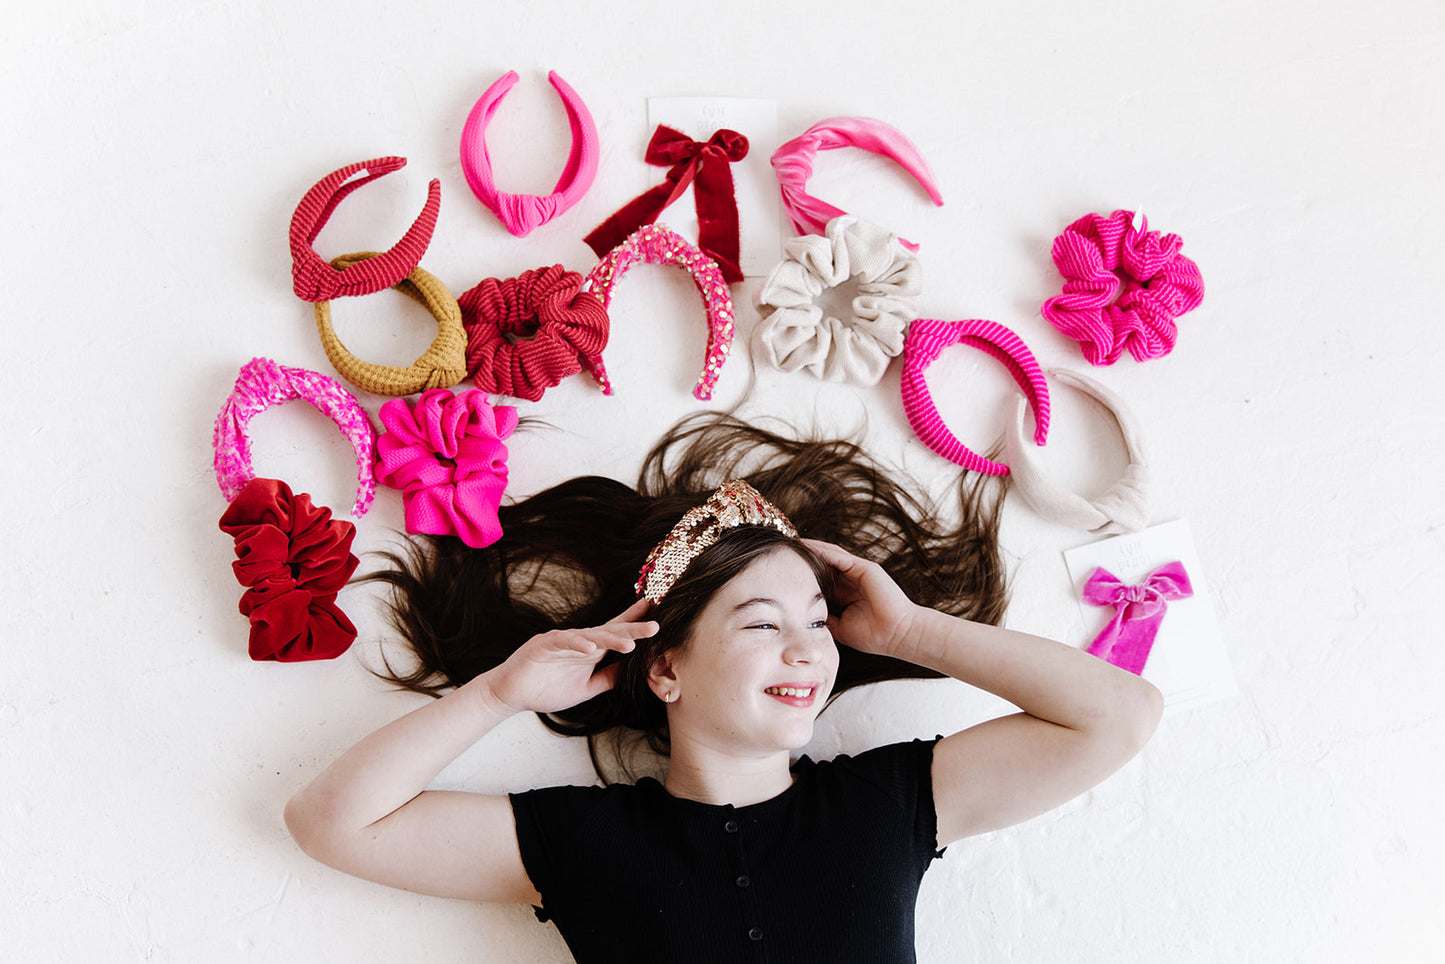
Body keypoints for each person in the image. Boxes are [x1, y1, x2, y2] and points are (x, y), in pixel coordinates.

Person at [284, 414, 1163, 962]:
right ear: (665, 668)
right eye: (760, 624)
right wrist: (498, 695)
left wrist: (908, 632)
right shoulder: (582, 842)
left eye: (818, 622)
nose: (806, 651)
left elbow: (1119, 716)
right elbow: (330, 823)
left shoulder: (884, 805)